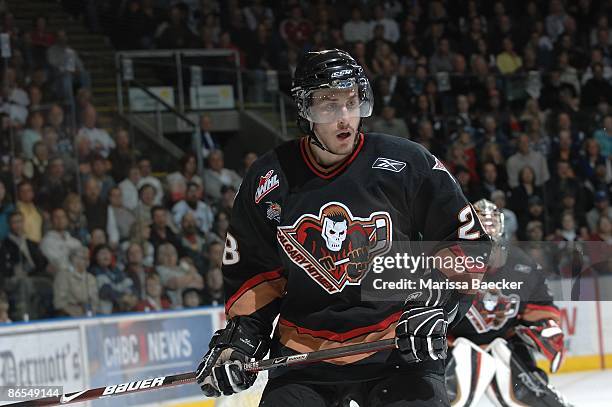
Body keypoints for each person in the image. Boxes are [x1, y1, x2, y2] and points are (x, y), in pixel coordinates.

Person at [195, 49, 490, 406]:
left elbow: (467, 244)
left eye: (351, 102)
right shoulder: (270, 179)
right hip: (305, 355)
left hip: (397, 347)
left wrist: (437, 305)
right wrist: (240, 339)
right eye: (328, 106)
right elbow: (255, 274)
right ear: (305, 111)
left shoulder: (407, 163)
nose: (344, 118)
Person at [446, 200, 570, 407]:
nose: (487, 229)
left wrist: (546, 326)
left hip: (504, 344)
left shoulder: (523, 265)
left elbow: (540, 306)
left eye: (491, 223)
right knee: (444, 395)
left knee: (537, 398)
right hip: (454, 346)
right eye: (481, 224)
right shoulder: (445, 261)